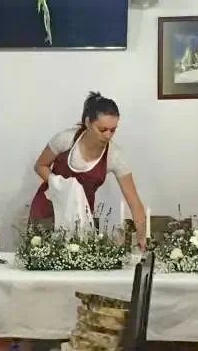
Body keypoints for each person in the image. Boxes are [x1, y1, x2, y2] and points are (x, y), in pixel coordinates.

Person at [29, 92, 147, 247]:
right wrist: (62, 185)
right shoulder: (66, 139)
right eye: (102, 129)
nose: (108, 135)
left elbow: (134, 200)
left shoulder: (114, 156)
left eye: (113, 130)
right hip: (47, 209)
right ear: (88, 122)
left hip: (81, 217)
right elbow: (40, 166)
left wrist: (142, 234)